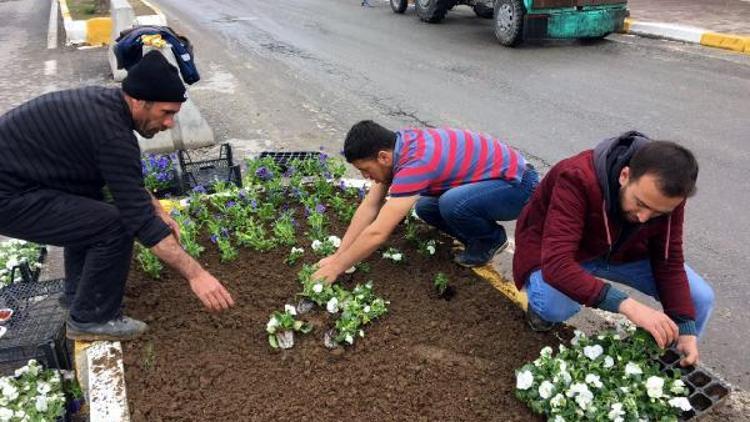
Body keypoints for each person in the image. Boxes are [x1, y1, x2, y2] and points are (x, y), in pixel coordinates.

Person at [0, 51, 234, 341]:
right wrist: (197, 275)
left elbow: (128, 184)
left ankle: (78, 299)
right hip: (9, 196)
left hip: (25, 181)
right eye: (166, 113)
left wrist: (159, 211)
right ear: (139, 101)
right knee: (116, 224)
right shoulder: (112, 133)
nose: (170, 124)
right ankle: (90, 318)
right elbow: (139, 221)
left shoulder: (108, 108)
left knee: (94, 211)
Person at [513, 131, 714, 366]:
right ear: (625, 175)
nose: (643, 217)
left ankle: (663, 360)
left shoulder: (667, 198)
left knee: (700, 298)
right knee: (554, 304)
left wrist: (686, 325)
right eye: (640, 203)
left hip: (622, 254)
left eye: (658, 213)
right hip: (566, 254)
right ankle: (540, 312)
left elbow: (668, 261)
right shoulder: (576, 177)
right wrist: (629, 306)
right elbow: (557, 264)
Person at [313, 120, 538, 283]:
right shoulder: (399, 147)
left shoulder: (416, 163)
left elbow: (378, 232)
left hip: (518, 186)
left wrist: (337, 269)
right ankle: (480, 237)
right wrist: (339, 255)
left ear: (383, 157)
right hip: (495, 179)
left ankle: (491, 240)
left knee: (452, 204)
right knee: (426, 207)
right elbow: (370, 206)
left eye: (365, 170)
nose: (366, 177)